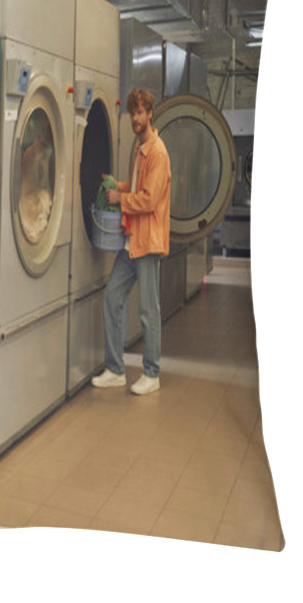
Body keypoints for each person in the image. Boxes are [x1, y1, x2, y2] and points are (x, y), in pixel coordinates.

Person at [92, 88, 171, 395]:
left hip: (147, 243)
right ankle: (115, 369)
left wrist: (120, 198)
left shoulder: (157, 152)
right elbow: (137, 186)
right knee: (112, 297)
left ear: (150, 114)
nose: (136, 118)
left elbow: (149, 200)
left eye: (141, 113)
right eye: (133, 113)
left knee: (149, 310)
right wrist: (117, 184)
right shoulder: (141, 149)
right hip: (132, 241)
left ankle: (152, 374)